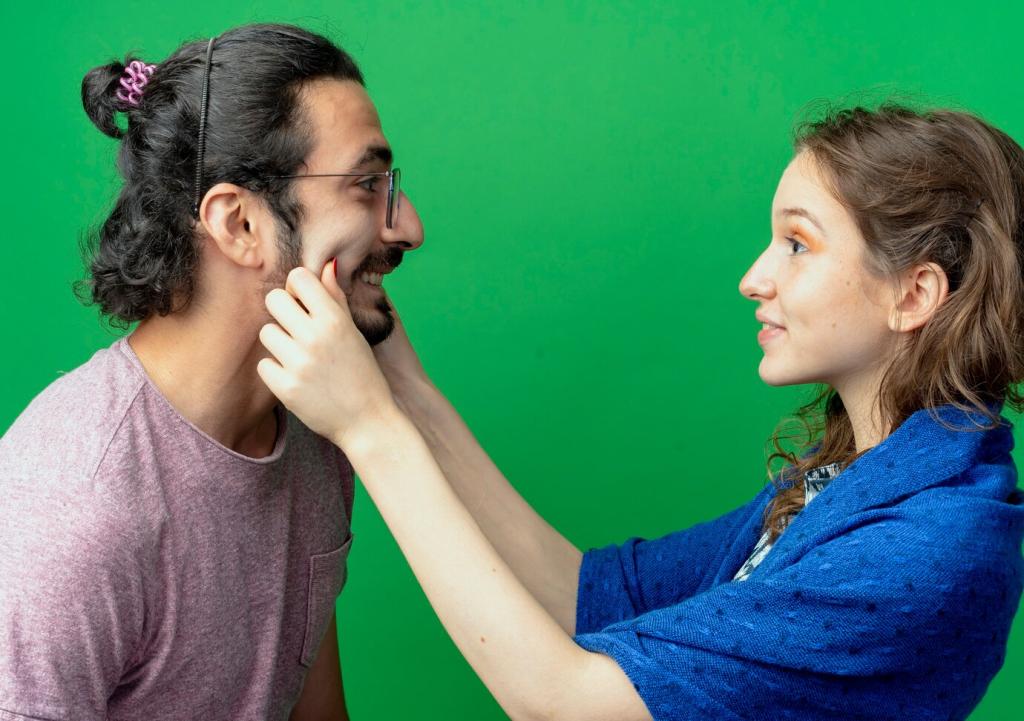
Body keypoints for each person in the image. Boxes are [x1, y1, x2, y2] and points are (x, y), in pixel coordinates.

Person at [257, 104, 1024, 721]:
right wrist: (405, 386)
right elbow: (591, 594)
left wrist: (370, 429)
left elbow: (565, 701)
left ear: (913, 294)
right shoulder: (851, 478)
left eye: (798, 244)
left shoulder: (929, 548)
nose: (754, 277)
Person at [0, 23, 423, 721]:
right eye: (366, 184)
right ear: (239, 224)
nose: (409, 227)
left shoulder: (314, 429)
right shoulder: (76, 510)